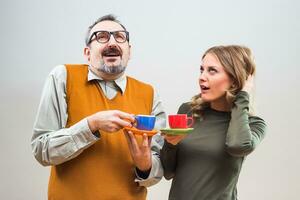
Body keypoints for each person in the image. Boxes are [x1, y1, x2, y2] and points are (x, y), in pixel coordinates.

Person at [31, 14, 166, 200]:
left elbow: (157, 170)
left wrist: (145, 166)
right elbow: (41, 150)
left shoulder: (149, 93)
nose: (112, 42)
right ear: (87, 53)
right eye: (101, 36)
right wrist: (91, 125)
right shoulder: (62, 77)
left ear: (129, 51)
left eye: (120, 37)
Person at [160, 45, 267, 200]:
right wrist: (170, 144)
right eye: (201, 69)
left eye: (212, 70)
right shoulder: (188, 111)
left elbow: (237, 146)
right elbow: (168, 171)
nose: (202, 77)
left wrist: (243, 95)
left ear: (235, 80)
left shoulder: (254, 124)